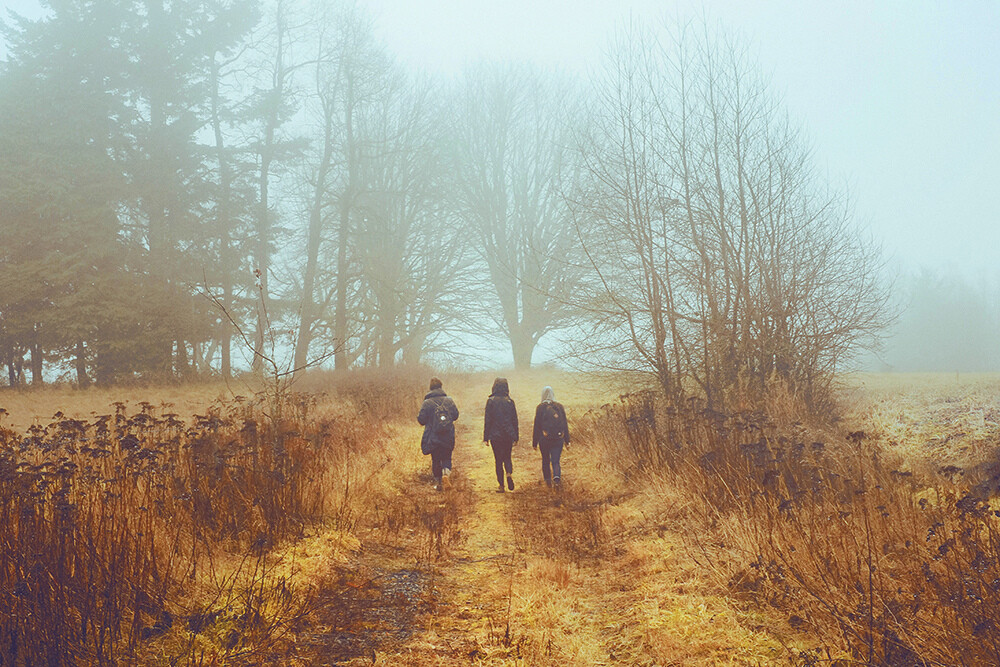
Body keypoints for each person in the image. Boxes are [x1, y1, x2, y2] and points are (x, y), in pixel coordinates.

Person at [417, 377, 459, 491]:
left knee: (435, 459)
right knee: (446, 457)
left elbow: (421, 420)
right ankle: (446, 474)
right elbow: (455, 415)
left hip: (433, 436)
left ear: (430, 388)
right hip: (447, 434)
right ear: (441, 387)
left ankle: (438, 483)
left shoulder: (427, 403)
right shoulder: (449, 400)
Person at [483, 377, 518, 493]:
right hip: (508, 434)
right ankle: (508, 473)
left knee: (498, 460)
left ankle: (501, 486)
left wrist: (486, 437)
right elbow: (514, 420)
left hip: (495, 435)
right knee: (507, 456)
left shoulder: (491, 401)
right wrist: (515, 436)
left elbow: (488, 420)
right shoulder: (510, 401)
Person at [532, 386, 569, 487]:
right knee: (556, 461)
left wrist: (534, 442)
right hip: (558, 439)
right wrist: (567, 441)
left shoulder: (540, 407)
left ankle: (548, 481)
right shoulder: (559, 407)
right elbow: (565, 424)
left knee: (545, 460)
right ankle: (557, 479)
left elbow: (537, 426)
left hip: (544, 439)